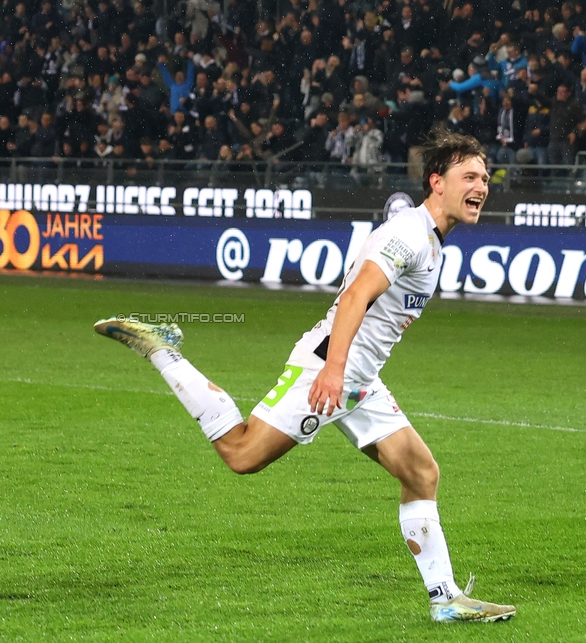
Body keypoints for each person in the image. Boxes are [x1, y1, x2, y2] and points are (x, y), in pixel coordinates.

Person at [93, 130, 516, 623]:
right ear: (437, 182)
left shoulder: (423, 236)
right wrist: (334, 372)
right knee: (242, 454)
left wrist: (349, 374)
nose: (482, 186)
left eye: (485, 177)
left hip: (360, 378)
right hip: (329, 366)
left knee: (421, 472)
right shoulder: (409, 237)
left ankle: (445, 600)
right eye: (470, 176)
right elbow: (357, 295)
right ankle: (163, 350)